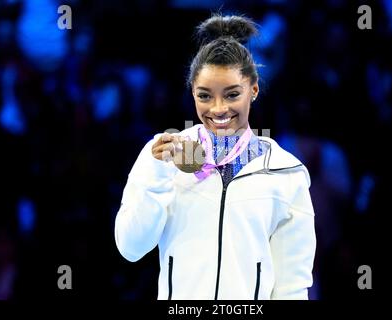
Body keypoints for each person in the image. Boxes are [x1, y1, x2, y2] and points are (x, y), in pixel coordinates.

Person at [114, 14, 316, 300]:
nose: (218, 109)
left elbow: (292, 287)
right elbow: (131, 248)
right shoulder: (161, 156)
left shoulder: (286, 173)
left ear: (253, 90)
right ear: (193, 94)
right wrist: (158, 176)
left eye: (232, 94)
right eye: (205, 96)